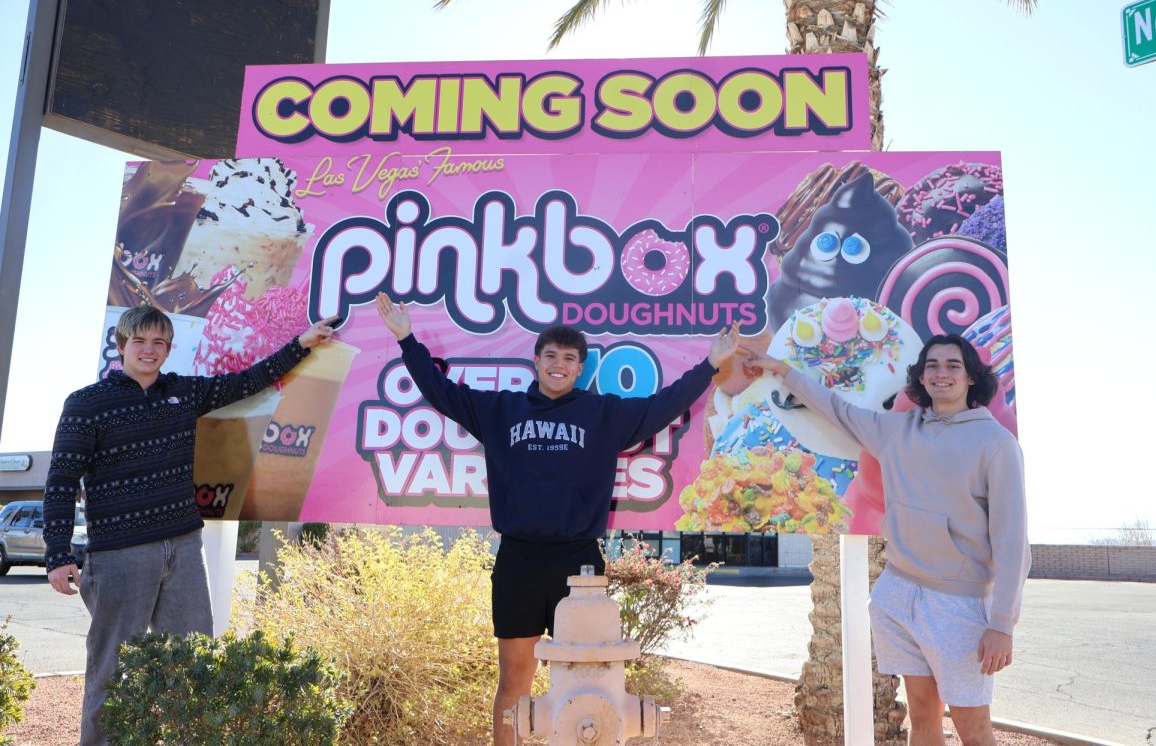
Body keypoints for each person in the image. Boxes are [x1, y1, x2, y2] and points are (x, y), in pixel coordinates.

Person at [375, 292, 739, 746]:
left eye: (569, 358)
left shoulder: (601, 414)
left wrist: (709, 366)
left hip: (580, 565)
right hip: (519, 562)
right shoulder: (501, 410)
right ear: (536, 361)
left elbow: (663, 406)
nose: (559, 365)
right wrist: (407, 339)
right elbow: (443, 394)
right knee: (515, 678)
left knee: (586, 685)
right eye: (551, 356)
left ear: (580, 367)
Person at [43, 305, 338, 746]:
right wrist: (58, 554)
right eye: (140, 341)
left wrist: (301, 344)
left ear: (168, 348)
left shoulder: (184, 391)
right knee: (113, 669)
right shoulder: (86, 404)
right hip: (119, 553)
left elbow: (247, 382)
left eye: (159, 342)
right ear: (121, 345)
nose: (149, 350)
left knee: (192, 663)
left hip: (183, 548)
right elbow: (62, 483)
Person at [746, 333, 1029, 746]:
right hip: (898, 592)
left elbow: (1011, 540)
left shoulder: (997, 444)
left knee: (974, 728)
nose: (941, 373)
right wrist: (782, 370)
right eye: (932, 365)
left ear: (971, 378)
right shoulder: (896, 430)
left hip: (959, 606)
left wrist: (1002, 624)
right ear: (921, 376)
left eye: (953, 365)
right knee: (921, 717)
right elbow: (837, 410)